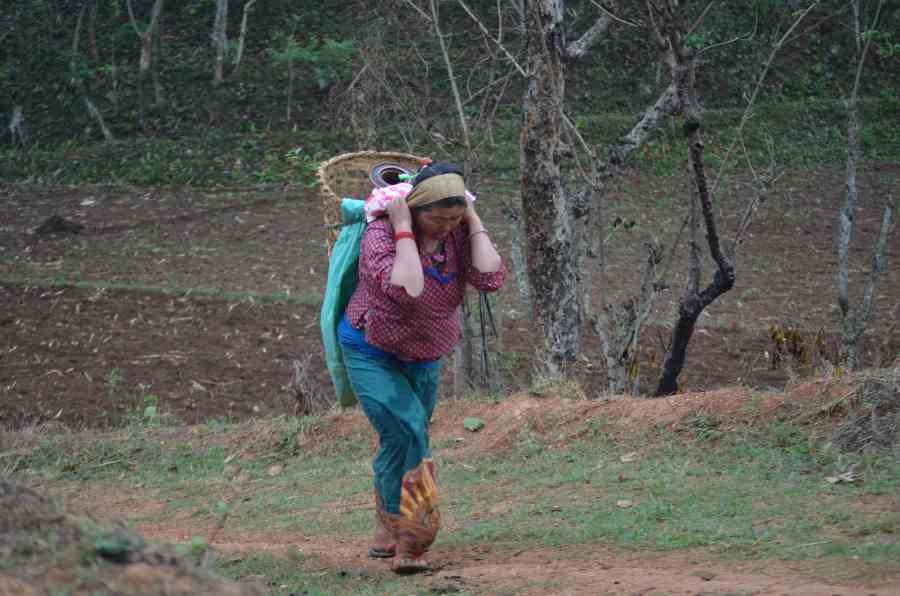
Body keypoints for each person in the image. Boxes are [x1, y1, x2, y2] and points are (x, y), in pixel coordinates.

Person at [338, 161, 505, 573]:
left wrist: (474, 218)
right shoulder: (380, 233)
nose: (447, 226)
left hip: (426, 353)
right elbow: (408, 289)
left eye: (455, 216)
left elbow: (490, 278)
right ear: (414, 208)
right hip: (371, 349)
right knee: (411, 429)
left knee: (398, 439)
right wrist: (403, 229)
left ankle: (386, 528)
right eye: (437, 217)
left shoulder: (459, 234)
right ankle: (412, 544)